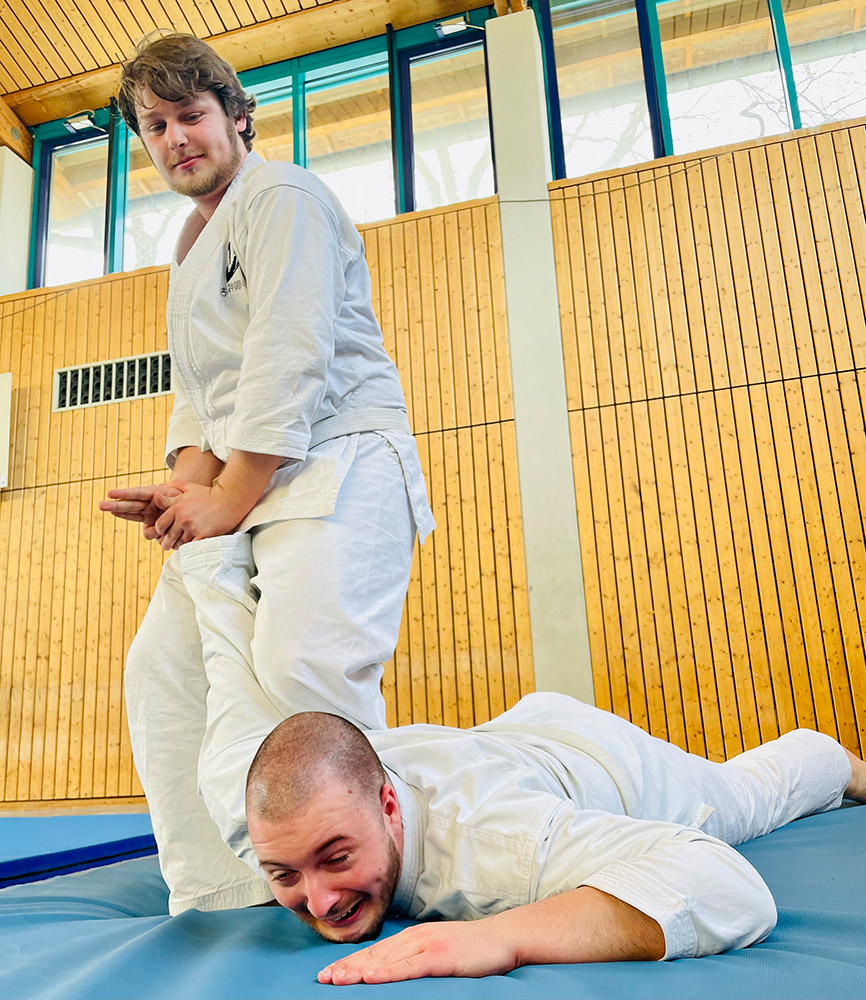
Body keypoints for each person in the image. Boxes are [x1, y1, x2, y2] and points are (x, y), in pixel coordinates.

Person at [98, 32, 434, 915]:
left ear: (238, 117)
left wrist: (226, 496)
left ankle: (394, 876)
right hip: (250, 481)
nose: (174, 139)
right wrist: (186, 488)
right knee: (161, 672)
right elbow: (201, 395)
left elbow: (291, 356)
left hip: (339, 461)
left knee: (303, 675)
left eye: (191, 116)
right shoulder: (190, 245)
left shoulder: (279, 195)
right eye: (155, 126)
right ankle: (225, 887)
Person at [246, 703, 866, 985]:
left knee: (744, 795)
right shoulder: (265, 816)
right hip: (515, 738)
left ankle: (835, 758)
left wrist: (500, 936)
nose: (321, 900)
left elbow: (730, 889)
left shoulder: (499, 851)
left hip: (617, 767)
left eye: (337, 859)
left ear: (387, 807)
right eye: (285, 874)